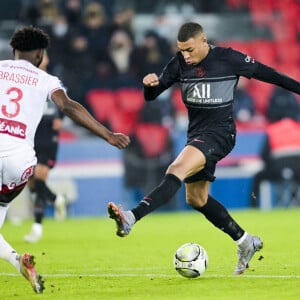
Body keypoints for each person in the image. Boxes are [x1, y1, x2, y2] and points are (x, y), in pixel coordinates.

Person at [107, 22, 300, 275]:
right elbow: (152, 96)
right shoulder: (178, 63)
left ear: (203, 41)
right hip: (197, 136)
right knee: (196, 199)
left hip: (221, 133)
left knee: (176, 168)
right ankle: (245, 241)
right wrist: (149, 85)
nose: (185, 55)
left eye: (189, 50)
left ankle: (131, 217)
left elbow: (271, 75)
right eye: (181, 50)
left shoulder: (229, 58)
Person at [0, 26, 130, 294]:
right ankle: (17, 261)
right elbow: (69, 106)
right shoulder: (46, 79)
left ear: (14, 51)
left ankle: (17, 261)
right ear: (39, 55)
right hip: (21, 163)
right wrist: (107, 134)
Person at [23, 51, 66, 244]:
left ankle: (37, 227)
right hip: (31, 135)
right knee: (32, 183)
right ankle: (56, 199)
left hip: (48, 136)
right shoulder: (27, 80)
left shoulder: (53, 81)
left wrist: (59, 118)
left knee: (39, 178)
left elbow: (65, 103)